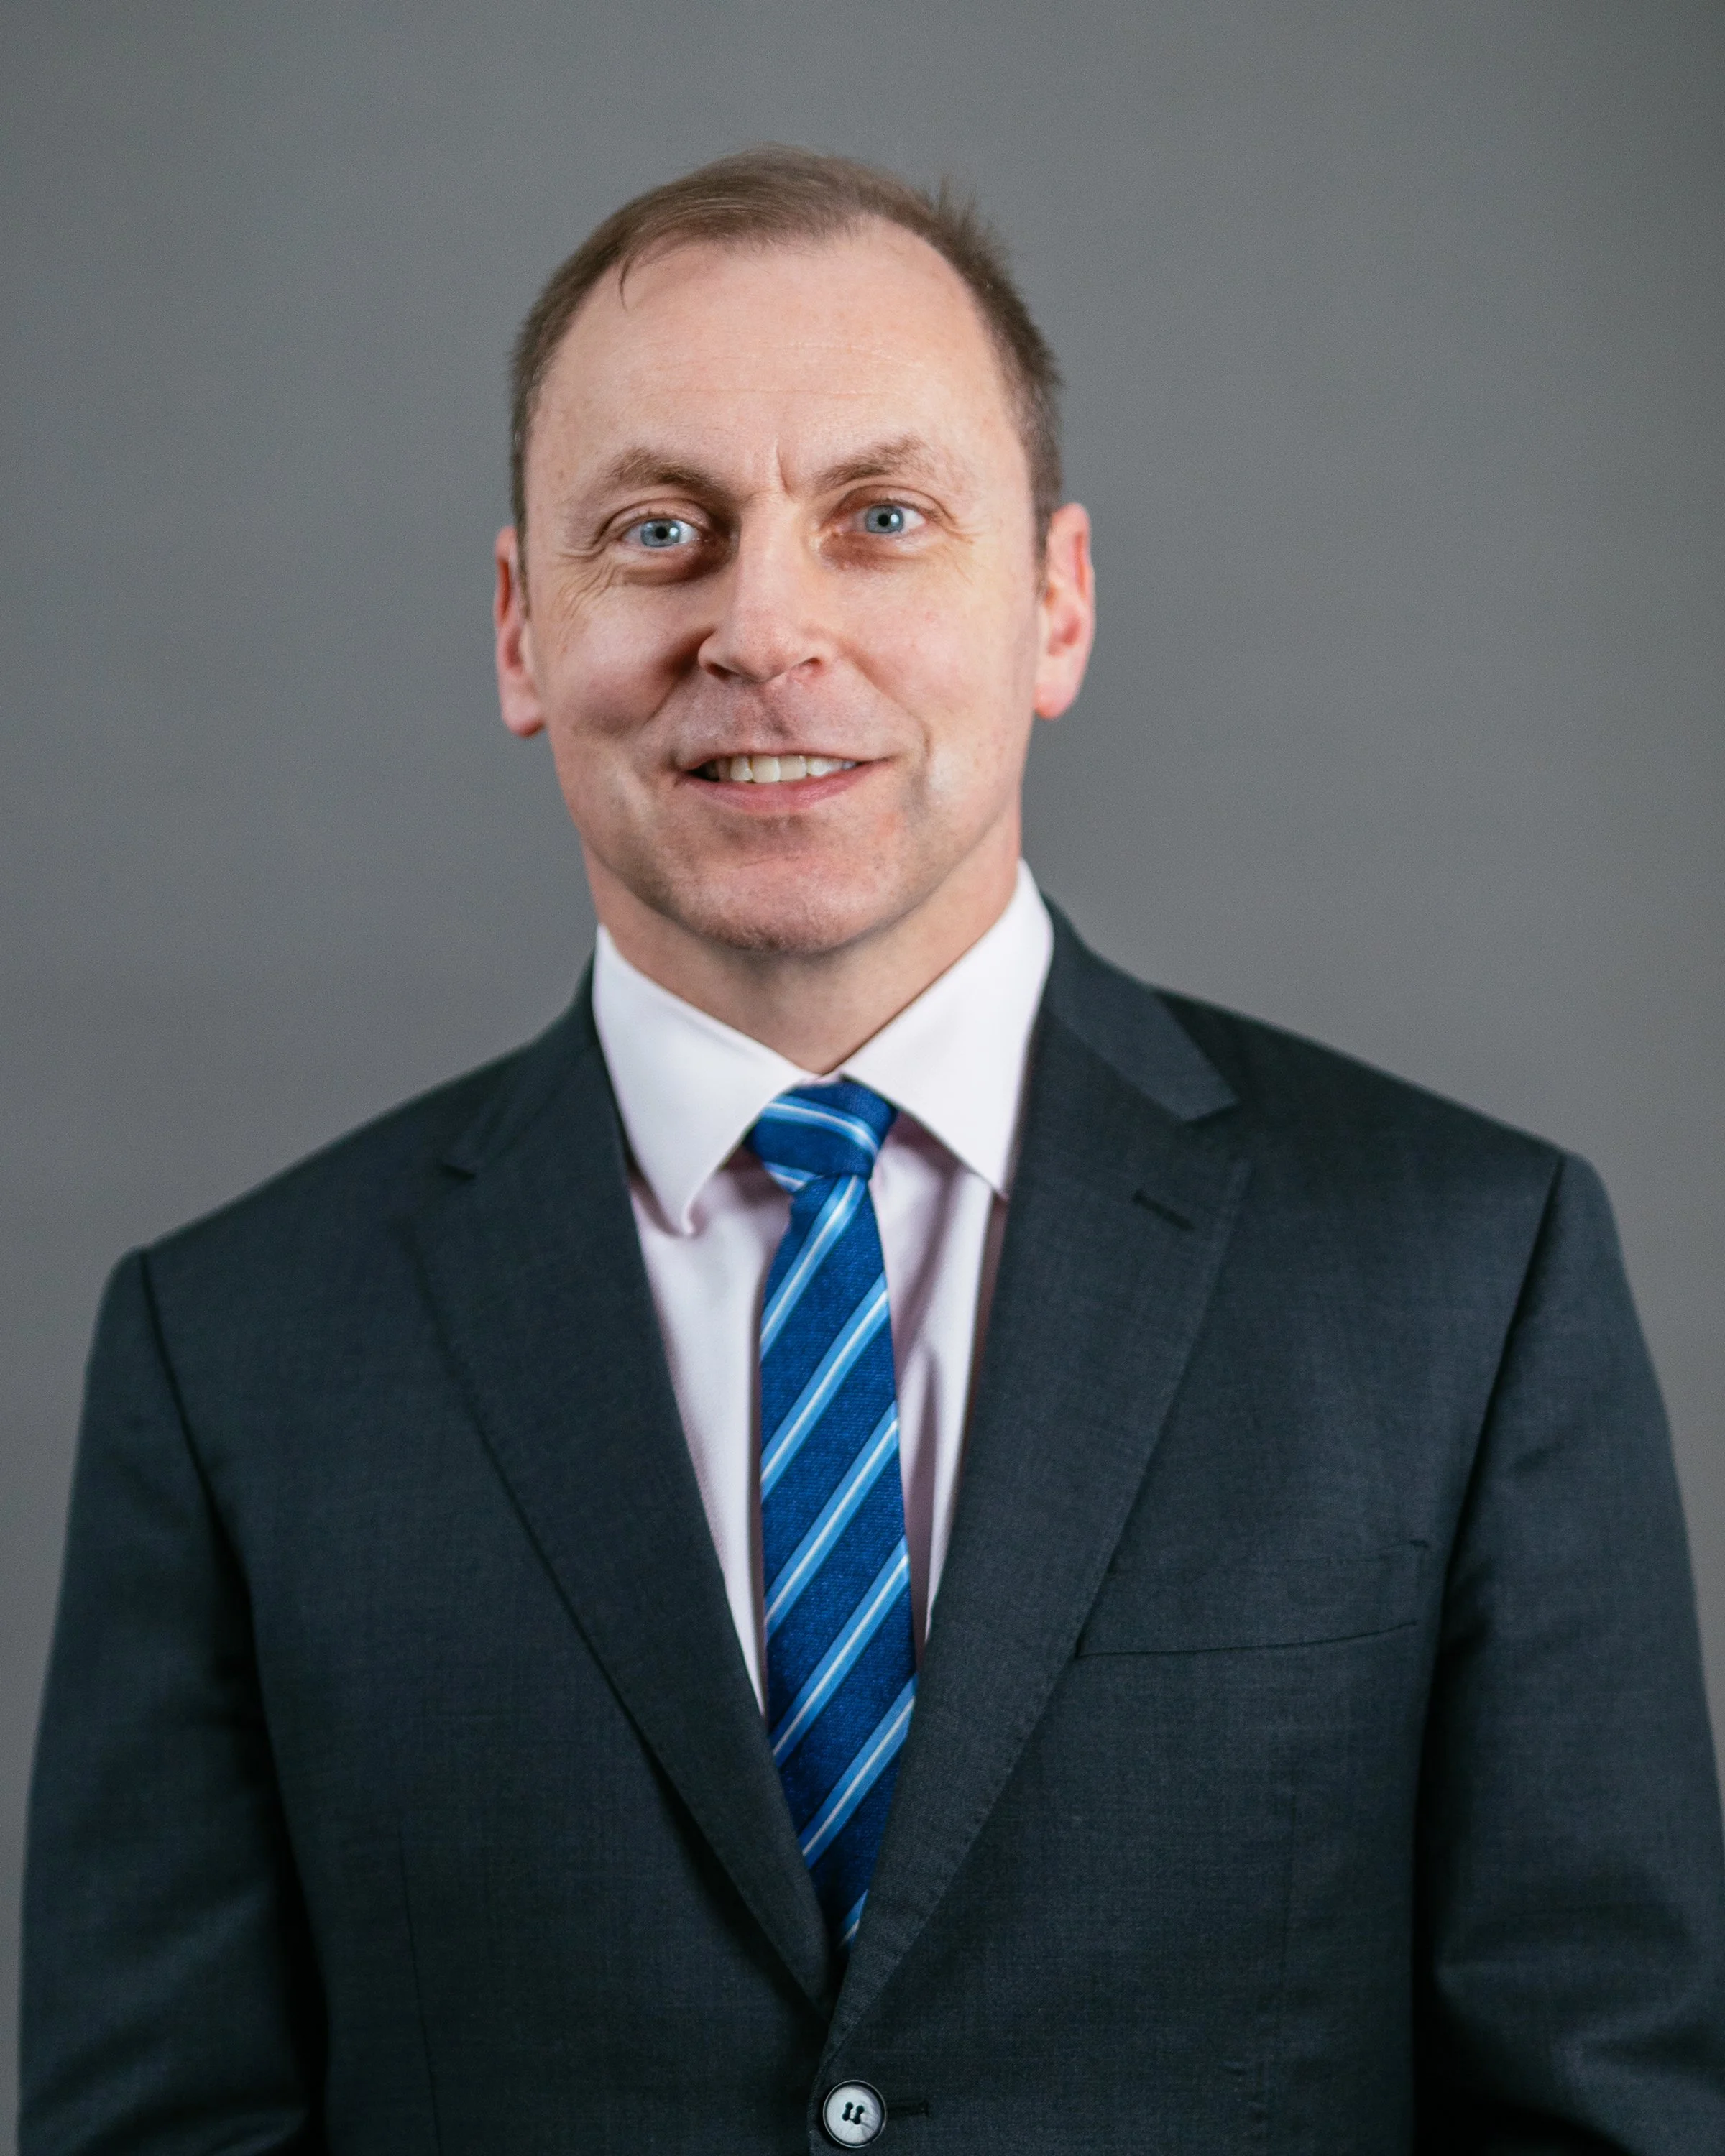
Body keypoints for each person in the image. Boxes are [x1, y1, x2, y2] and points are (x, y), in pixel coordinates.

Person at [20, 146, 1725, 2155]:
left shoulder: (1465, 1276)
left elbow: (1608, 2113)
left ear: (1056, 604)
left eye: (884, 518)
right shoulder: (231, 1357)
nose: (763, 624)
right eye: (659, 530)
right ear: (515, 629)